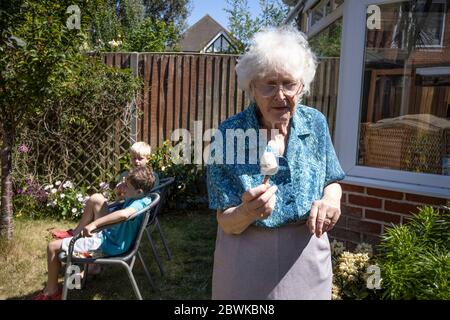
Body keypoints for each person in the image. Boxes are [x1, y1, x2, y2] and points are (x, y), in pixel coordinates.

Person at [206, 26, 345, 300]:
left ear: (302, 86)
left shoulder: (315, 123)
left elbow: (332, 180)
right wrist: (247, 211)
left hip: (306, 257)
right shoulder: (229, 134)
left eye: (289, 84)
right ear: (252, 87)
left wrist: (331, 200)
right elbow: (226, 220)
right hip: (245, 259)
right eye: (269, 84)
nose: (280, 95)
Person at [33, 166, 156, 300]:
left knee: (53, 247)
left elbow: (124, 214)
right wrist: (120, 192)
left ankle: (51, 291)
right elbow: (121, 204)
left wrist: (94, 224)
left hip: (107, 245)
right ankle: (76, 241)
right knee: (97, 198)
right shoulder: (141, 198)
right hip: (111, 238)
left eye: (127, 186)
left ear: (138, 191)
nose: (123, 186)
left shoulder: (139, 203)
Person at [50, 141, 156, 239]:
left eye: (140, 158)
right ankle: (77, 232)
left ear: (148, 159)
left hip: (127, 222)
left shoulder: (149, 178)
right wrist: (120, 193)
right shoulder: (127, 175)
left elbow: (145, 199)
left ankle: (80, 234)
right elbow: (119, 200)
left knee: (96, 199)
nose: (136, 161)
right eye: (133, 158)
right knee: (96, 199)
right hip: (123, 211)